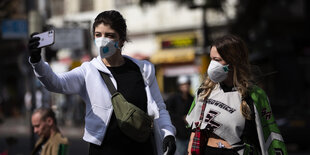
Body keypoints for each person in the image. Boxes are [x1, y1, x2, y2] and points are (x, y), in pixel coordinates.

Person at [28, 10, 176, 155]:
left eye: (109, 35)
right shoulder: (88, 71)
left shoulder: (144, 69)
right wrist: (37, 62)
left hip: (141, 149)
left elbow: (159, 107)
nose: (102, 40)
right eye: (98, 35)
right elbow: (56, 83)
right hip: (104, 150)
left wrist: (168, 133)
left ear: (121, 40)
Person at [186, 35, 287, 155]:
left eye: (217, 60)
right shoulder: (204, 91)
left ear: (233, 61)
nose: (212, 65)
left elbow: (270, 136)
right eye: (211, 59)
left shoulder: (255, 95)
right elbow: (194, 134)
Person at [166, 75, 194, 155]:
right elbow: (167, 112)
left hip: (189, 134)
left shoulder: (192, 99)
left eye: (187, 84)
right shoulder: (173, 98)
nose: (186, 86)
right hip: (177, 134)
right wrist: (181, 118)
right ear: (179, 86)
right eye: (183, 84)